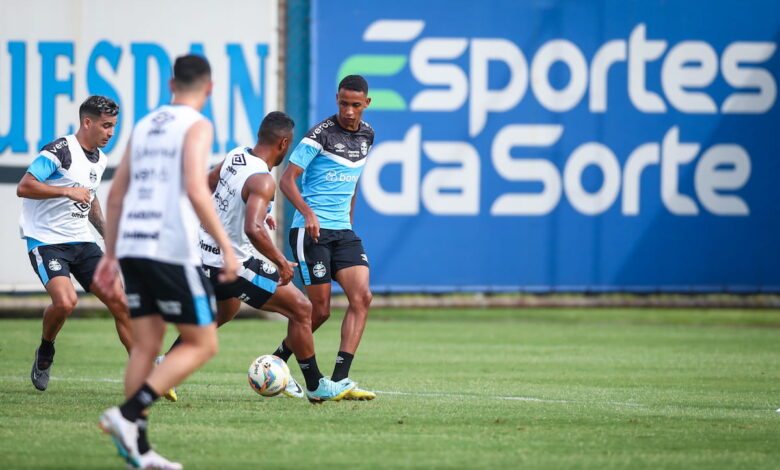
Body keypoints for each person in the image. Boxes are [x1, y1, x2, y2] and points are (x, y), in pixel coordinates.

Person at [94, 54, 238, 470]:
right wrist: (226, 248)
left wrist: (110, 253)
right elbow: (196, 188)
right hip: (170, 246)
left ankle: (139, 449)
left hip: (135, 246)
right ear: (208, 89)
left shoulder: (143, 124)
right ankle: (127, 413)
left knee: (147, 344)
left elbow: (116, 194)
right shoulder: (197, 124)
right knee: (203, 341)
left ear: (171, 84)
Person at [161, 111, 354, 404]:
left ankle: (166, 365)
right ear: (284, 143)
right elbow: (252, 230)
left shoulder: (236, 156)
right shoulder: (263, 180)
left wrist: (245, 219)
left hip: (204, 256)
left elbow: (207, 184)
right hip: (233, 264)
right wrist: (278, 259)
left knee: (226, 311)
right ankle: (316, 384)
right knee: (302, 309)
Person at [17, 95, 132, 392]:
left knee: (121, 302)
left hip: (82, 240)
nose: (110, 133)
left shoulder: (101, 158)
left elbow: (90, 199)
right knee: (66, 302)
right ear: (87, 122)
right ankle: (46, 349)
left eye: (114, 126)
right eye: (106, 126)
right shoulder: (60, 150)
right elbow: (25, 186)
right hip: (46, 241)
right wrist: (66, 191)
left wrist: (107, 235)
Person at [278, 74, 375, 400]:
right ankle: (278, 360)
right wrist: (307, 213)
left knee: (362, 297)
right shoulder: (319, 135)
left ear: (366, 104)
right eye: (343, 103)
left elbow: (353, 180)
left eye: (355, 105)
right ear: (337, 99)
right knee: (318, 311)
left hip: (342, 232)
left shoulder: (368, 135)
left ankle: (340, 379)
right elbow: (287, 180)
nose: (349, 111)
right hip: (311, 232)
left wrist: (348, 218)